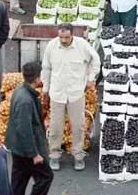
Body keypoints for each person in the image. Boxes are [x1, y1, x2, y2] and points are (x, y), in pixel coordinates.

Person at [42, 23, 100, 171]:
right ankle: (54, 155)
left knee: (78, 126)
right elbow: (46, 68)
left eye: (66, 37)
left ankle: (78, 156)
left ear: (72, 35)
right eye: (61, 37)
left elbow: (95, 60)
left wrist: (91, 79)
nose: (63, 40)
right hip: (57, 93)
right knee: (55, 127)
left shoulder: (82, 46)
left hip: (76, 93)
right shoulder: (52, 46)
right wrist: (46, 89)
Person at [6, 62, 54, 195]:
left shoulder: (20, 90)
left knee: (19, 180)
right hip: (26, 150)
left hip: (17, 147)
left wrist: (39, 123)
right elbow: (24, 129)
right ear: (38, 78)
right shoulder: (25, 100)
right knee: (46, 177)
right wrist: (34, 154)